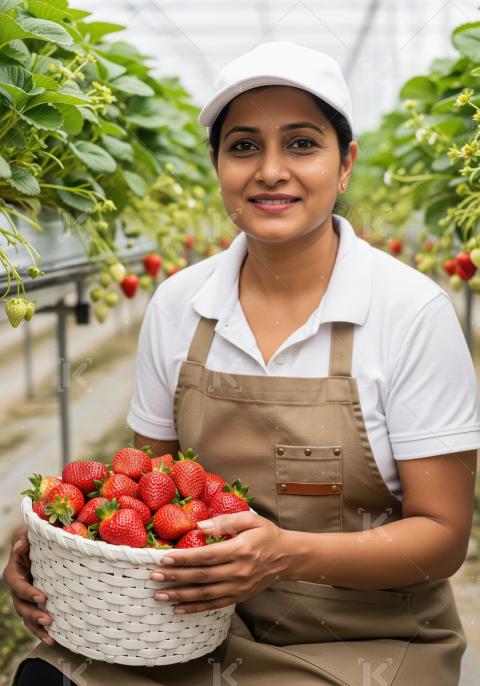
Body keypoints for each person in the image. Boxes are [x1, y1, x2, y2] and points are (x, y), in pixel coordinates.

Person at [4, 40, 480, 686]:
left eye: (303, 144)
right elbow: (149, 492)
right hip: (190, 622)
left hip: (370, 636)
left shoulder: (410, 314)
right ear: (218, 166)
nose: (271, 170)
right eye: (244, 146)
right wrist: (67, 553)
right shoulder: (178, 306)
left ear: (345, 166)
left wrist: (284, 556)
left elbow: (444, 537)